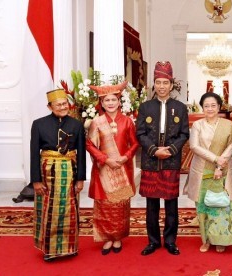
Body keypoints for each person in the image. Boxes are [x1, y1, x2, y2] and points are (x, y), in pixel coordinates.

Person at [136, 61, 189, 256]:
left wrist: (172, 149)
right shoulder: (145, 107)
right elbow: (140, 133)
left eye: (165, 83)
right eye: (158, 82)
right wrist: (152, 149)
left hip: (171, 161)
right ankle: (152, 241)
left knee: (171, 204)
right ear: (154, 83)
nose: (161, 86)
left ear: (171, 84)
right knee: (151, 205)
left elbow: (184, 134)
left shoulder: (181, 108)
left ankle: (170, 241)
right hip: (151, 161)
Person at [30, 89, 86, 262]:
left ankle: (70, 247)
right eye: (58, 104)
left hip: (70, 171)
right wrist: (36, 180)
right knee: (49, 210)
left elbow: (81, 153)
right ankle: (50, 249)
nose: (63, 107)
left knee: (70, 209)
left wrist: (81, 179)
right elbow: (33, 153)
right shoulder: (38, 124)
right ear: (49, 106)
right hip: (46, 172)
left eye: (65, 104)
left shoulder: (76, 124)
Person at [86, 81, 139, 255]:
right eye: (106, 100)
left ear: (119, 101)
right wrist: (105, 159)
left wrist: (126, 157)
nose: (110, 103)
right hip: (104, 169)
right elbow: (90, 145)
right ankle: (107, 238)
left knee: (120, 205)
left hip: (123, 168)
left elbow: (135, 143)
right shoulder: (96, 122)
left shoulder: (128, 122)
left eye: (113, 100)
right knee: (105, 205)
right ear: (102, 103)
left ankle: (118, 238)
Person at [184, 92, 232, 253]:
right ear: (202, 107)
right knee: (203, 207)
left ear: (219, 107)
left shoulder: (228, 125)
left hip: (224, 170)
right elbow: (194, 146)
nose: (209, 108)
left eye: (213, 105)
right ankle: (206, 239)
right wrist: (216, 159)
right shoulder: (197, 125)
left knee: (223, 207)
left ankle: (221, 239)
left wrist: (220, 164)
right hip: (201, 171)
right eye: (206, 105)